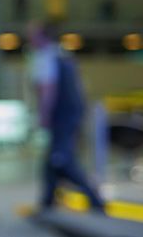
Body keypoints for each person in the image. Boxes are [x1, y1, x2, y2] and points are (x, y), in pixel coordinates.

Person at [29, 23, 105, 212]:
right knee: (54, 157)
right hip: (72, 113)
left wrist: (44, 114)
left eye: (32, 35)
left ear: (42, 37)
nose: (29, 38)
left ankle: (94, 199)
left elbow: (48, 89)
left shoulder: (45, 57)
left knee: (61, 158)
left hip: (61, 115)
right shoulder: (63, 54)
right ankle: (47, 201)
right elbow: (79, 86)